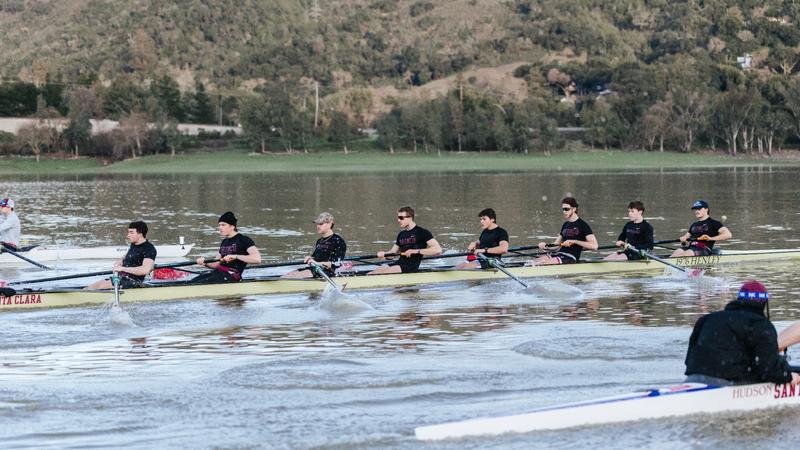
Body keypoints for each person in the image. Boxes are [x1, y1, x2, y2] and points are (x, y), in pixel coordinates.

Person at [684, 280, 799, 386]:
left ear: (739, 299)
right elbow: (768, 370)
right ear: (763, 303)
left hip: (693, 378)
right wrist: (788, 377)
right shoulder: (761, 325)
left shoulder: (706, 319)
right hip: (726, 383)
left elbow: (689, 360)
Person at [369, 206, 442, 275]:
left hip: (411, 267)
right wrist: (384, 254)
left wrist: (415, 251)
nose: (398, 220)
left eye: (401, 218)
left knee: (385, 272)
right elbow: (393, 253)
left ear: (410, 218)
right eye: (398, 218)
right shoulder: (401, 234)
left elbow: (438, 250)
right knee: (374, 272)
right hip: (399, 264)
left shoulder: (422, 232)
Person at [192, 211, 261, 283]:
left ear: (232, 227)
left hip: (232, 276)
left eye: (223, 225)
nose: (220, 228)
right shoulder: (224, 242)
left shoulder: (244, 240)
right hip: (219, 273)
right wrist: (204, 262)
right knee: (190, 282)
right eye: (219, 225)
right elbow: (216, 264)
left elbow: (257, 259)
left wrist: (235, 256)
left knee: (196, 284)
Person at [86, 221, 157, 290]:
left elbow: (145, 270)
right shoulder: (134, 244)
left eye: (131, 232)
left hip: (133, 282)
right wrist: (121, 259)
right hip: (122, 278)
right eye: (128, 232)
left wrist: (122, 268)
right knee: (92, 286)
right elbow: (130, 254)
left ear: (140, 234)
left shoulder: (149, 249)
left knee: (98, 286)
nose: (128, 235)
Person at [529, 197, 597, 265]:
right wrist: (545, 247)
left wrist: (574, 241)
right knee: (533, 262)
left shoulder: (583, 225)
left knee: (542, 263)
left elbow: (594, 246)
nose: (564, 211)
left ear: (574, 209)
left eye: (566, 209)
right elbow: (556, 246)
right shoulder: (565, 224)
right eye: (563, 209)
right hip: (559, 255)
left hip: (570, 257)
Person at [282, 212, 347, 279]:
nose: (318, 226)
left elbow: (337, 264)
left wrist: (317, 263)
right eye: (317, 224)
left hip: (328, 272)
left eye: (321, 224)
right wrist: (310, 258)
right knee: (289, 274)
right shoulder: (320, 241)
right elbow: (315, 258)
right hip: (316, 269)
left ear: (329, 224)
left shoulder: (338, 241)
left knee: (294, 276)